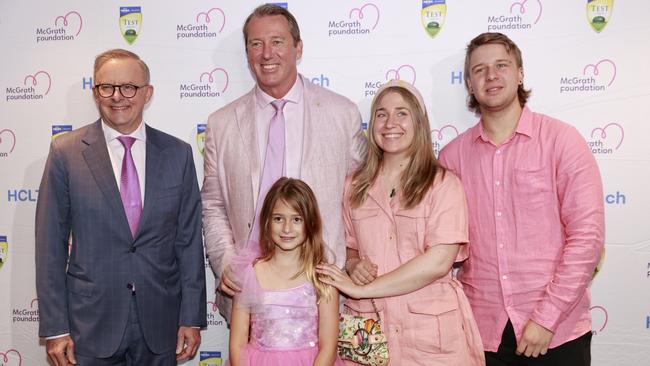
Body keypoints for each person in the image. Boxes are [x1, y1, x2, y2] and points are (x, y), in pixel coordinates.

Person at [439, 32, 605, 365]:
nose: (491, 76)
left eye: (501, 65)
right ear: (469, 84)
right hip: (481, 334)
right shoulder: (451, 158)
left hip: (558, 334)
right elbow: (438, 244)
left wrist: (547, 316)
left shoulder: (561, 141)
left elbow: (587, 238)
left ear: (520, 73)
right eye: (479, 69)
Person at [35, 49, 206, 366]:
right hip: (90, 323)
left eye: (129, 87)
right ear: (95, 92)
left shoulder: (178, 154)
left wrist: (192, 317)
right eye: (107, 87)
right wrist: (55, 327)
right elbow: (49, 247)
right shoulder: (65, 153)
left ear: (147, 93)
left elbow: (189, 243)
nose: (118, 97)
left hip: (161, 321)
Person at [202, 3, 366, 322]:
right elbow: (213, 205)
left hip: (322, 288)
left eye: (277, 42)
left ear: (298, 47)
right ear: (247, 52)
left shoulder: (341, 113)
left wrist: (355, 257)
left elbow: (359, 200)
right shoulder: (221, 124)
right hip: (250, 292)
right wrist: (227, 264)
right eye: (256, 44)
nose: (267, 54)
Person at [317, 80, 484, 365]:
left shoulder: (443, 184)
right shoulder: (353, 187)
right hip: (369, 332)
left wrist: (363, 288)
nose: (390, 122)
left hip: (430, 337)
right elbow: (349, 247)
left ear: (418, 121)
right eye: (381, 114)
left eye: (401, 113)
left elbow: (438, 262)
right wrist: (355, 265)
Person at [227, 177, 343, 366]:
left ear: (310, 223)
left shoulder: (322, 277)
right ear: (267, 222)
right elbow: (238, 344)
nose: (287, 228)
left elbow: (328, 347)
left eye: (297, 219)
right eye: (279, 219)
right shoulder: (250, 273)